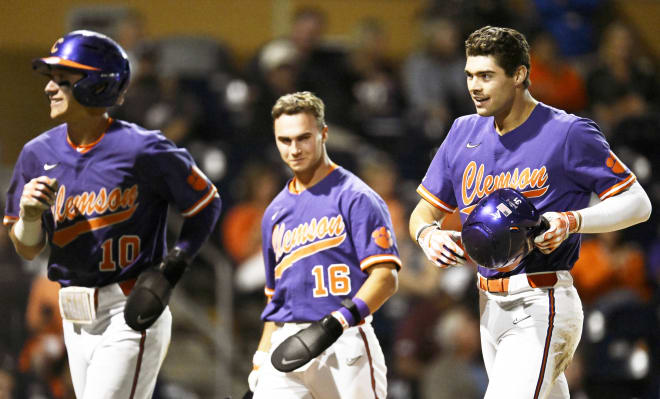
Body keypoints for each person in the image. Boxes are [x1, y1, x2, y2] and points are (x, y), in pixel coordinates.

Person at [408, 26, 651, 399]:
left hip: (542, 300)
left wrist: (573, 221)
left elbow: (638, 203)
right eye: (470, 75)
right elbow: (422, 213)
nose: (474, 85)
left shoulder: (568, 132)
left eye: (486, 75)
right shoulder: (462, 132)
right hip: (487, 303)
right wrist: (428, 235)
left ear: (519, 74)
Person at [2, 30, 222, 399]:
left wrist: (174, 266)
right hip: (72, 314)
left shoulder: (143, 148)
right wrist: (28, 217)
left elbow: (206, 202)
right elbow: (26, 249)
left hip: (128, 309)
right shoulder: (36, 153)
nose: (49, 89)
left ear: (97, 85)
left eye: (63, 80)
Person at [247, 91, 400, 398]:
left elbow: (386, 278)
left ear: (323, 133)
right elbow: (274, 301)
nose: (294, 149)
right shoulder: (275, 212)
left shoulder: (357, 197)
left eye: (303, 137)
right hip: (287, 340)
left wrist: (337, 322)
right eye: (284, 140)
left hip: (345, 337)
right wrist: (260, 363)